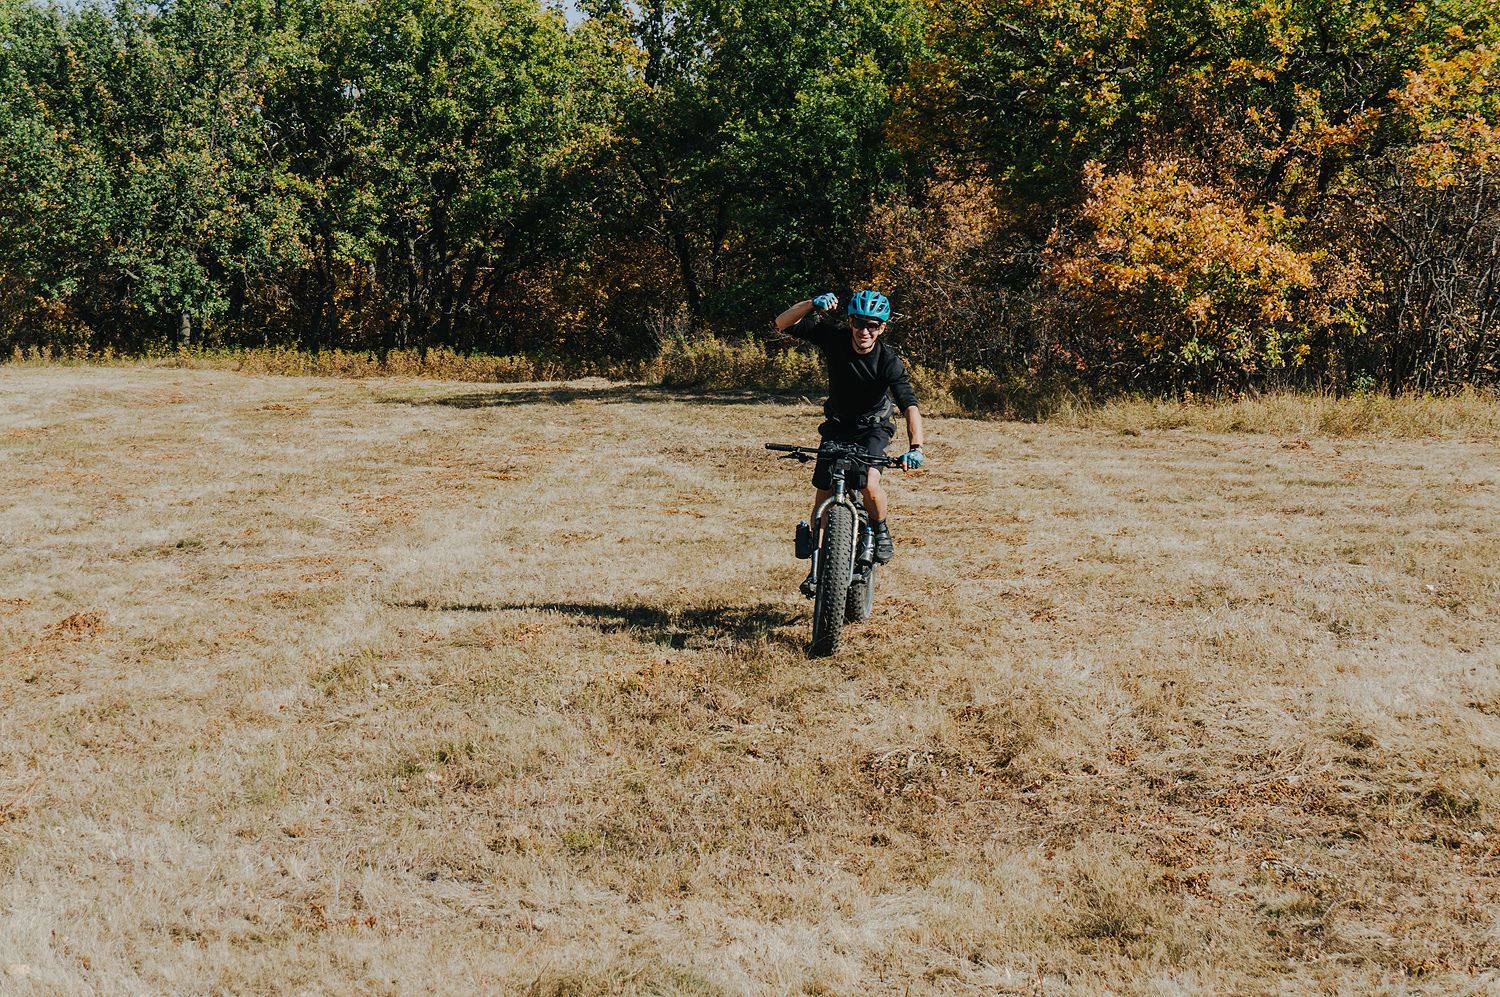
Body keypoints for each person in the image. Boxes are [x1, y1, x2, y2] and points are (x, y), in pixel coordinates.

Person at [773, 289, 925, 595]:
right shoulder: (834, 339)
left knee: (869, 484)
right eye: (858, 323)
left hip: (873, 429)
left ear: (882, 327)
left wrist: (916, 447)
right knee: (824, 491)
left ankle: (880, 529)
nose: (864, 330)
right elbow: (782, 323)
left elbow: (909, 405)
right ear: (850, 321)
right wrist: (811, 303)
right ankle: (817, 566)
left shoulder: (889, 361)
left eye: (872, 325)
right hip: (838, 426)